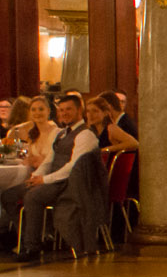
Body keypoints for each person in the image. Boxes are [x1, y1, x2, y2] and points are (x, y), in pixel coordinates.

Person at [3, 93, 97, 262]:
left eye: (69, 109)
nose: (64, 113)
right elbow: (49, 160)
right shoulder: (62, 134)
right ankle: (26, 238)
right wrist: (36, 176)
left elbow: (73, 167)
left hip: (70, 182)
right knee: (8, 195)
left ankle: (32, 247)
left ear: (79, 111)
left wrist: (44, 180)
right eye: (62, 110)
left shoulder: (85, 135)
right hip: (52, 178)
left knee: (32, 197)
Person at [9, 95, 56, 167]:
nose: (37, 113)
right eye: (33, 110)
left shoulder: (57, 132)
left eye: (41, 109)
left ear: (48, 111)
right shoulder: (31, 133)